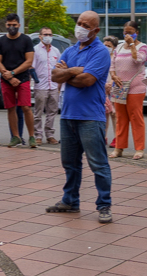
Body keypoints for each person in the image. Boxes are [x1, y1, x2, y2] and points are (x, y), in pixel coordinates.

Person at [46, 11, 113, 223]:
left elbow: (87, 81)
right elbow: (55, 75)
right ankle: (70, 201)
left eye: (86, 25)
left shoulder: (100, 52)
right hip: (68, 115)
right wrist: (75, 71)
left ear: (96, 30)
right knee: (70, 162)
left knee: (98, 163)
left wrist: (70, 73)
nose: (81, 27)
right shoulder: (70, 49)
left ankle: (104, 204)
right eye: (79, 23)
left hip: (91, 117)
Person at [0, 14, 36, 148]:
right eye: (9, 25)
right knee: (10, 108)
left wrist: (13, 73)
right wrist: (9, 77)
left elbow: (29, 61)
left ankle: (32, 136)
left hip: (22, 78)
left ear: (19, 25)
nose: (11, 27)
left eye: (14, 25)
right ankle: (15, 136)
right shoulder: (0, 41)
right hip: (6, 80)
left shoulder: (26, 40)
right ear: (6, 25)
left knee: (25, 107)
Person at [109, 21, 147, 159]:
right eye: (125, 32)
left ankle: (139, 149)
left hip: (135, 87)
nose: (127, 34)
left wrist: (132, 45)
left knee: (136, 117)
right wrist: (113, 76)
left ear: (137, 32)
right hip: (120, 87)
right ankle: (119, 148)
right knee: (121, 118)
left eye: (131, 32)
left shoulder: (142, 46)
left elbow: (138, 60)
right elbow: (112, 64)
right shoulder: (118, 47)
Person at [33, 26, 62, 145]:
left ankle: (50, 135)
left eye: (50, 35)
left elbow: (60, 69)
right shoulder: (35, 50)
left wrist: (59, 85)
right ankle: (38, 135)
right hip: (41, 86)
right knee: (38, 112)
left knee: (52, 112)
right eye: (45, 34)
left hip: (54, 86)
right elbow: (32, 68)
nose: (48, 37)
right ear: (40, 36)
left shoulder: (56, 51)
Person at [103, 36, 119, 141]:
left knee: (114, 113)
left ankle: (117, 137)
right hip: (103, 88)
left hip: (114, 87)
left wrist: (111, 83)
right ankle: (103, 136)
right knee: (105, 113)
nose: (107, 47)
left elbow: (119, 73)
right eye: (105, 45)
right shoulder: (101, 56)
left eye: (109, 46)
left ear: (114, 47)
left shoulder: (117, 58)